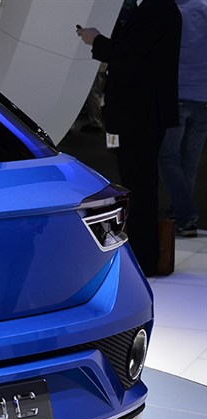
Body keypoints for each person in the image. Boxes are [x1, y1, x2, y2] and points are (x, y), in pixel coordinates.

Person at [77, 0, 182, 276]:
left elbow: (128, 55)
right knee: (138, 182)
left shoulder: (155, 9)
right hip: (141, 113)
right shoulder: (156, 9)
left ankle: (144, 257)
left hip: (141, 114)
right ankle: (141, 253)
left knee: (139, 184)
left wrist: (96, 39)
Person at [158, 0, 207, 238]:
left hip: (175, 93)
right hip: (204, 97)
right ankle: (178, 213)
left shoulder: (170, 10)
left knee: (167, 158)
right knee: (189, 161)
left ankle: (185, 216)